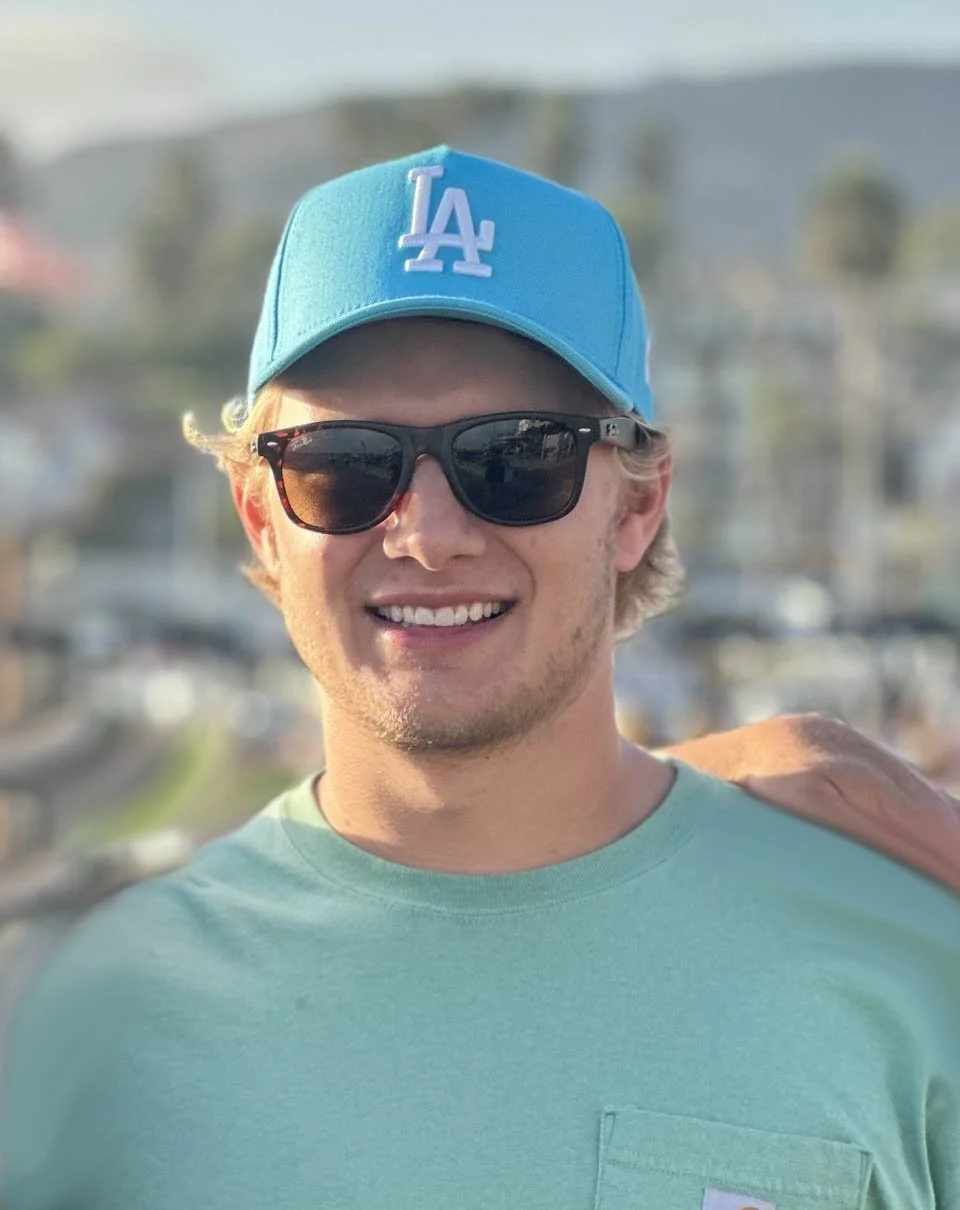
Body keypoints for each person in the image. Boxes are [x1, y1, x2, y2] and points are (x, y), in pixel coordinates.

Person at [1, 147, 957, 1210]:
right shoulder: (79, 1027)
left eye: (516, 457)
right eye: (344, 465)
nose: (428, 533)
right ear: (261, 516)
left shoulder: (908, 975)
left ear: (639, 504)